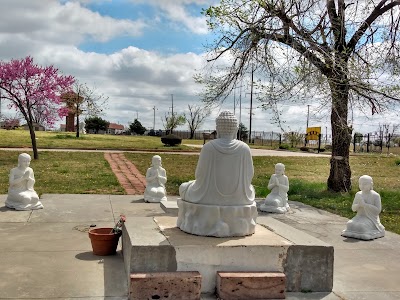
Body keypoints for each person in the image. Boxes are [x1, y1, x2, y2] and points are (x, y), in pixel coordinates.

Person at [177, 111, 257, 237]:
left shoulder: (209, 147)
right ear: (236, 129)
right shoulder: (244, 148)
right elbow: (249, 176)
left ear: (217, 129)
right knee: (252, 188)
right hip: (239, 198)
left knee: (183, 187)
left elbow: (199, 175)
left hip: (206, 196)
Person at [341, 175, 385, 240]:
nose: (362, 186)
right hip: (359, 216)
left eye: (365, 184)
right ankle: (359, 233)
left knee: (361, 226)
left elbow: (378, 210)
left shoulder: (375, 195)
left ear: (371, 184)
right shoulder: (358, 194)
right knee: (350, 224)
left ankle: (369, 232)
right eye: (360, 184)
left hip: (370, 218)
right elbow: (353, 209)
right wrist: (359, 205)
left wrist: (365, 205)